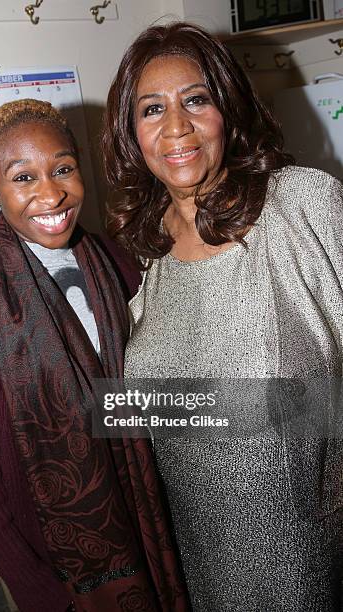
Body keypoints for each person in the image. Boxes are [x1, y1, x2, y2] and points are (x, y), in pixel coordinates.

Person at [102, 22, 343, 612]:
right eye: (152, 109)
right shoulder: (147, 244)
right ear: (133, 134)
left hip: (302, 544)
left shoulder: (299, 203)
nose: (175, 126)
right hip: (190, 540)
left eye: (195, 100)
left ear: (227, 111)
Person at [0, 99, 190, 612]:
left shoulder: (115, 260)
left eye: (63, 169)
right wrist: (39, 592)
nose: (51, 193)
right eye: (23, 177)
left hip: (155, 523)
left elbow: (148, 394)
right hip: (61, 570)